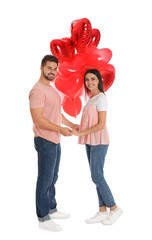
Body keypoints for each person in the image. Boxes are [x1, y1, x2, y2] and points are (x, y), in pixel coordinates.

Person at [29, 55, 79, 232]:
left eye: (55, 69)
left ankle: (51, 208)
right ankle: (43, 218)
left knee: (53, 177)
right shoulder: (37, 91)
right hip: (44, 140)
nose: (52, 72)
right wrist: (59, 129)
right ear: (41, 68)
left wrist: (71, 124)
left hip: (55, 140)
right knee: (45, 179)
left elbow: (57, 113)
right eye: (49, 68)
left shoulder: (51, 89)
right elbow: (37, 119)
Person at [72, 69, 123, 225]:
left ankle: (114, 208)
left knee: (97, 176)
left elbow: (101, 125)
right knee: (96, 176)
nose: (89, 82)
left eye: (93, 79)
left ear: (99, 80)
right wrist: (76, 129)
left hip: (99, 141)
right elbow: (87, 123)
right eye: (87, 80)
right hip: (89, 140)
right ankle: (102, 210)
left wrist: (80, 133)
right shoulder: (90, 98)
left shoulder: (101, 98)